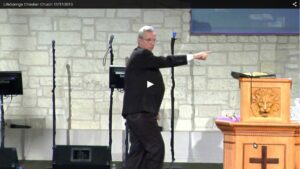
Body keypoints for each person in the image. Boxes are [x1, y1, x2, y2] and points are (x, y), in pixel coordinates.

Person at [122, 25, 209, 169]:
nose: (152, 43)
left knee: (139, 151)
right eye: (149, 40)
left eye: (154, 40)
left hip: (139, 113)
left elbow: (143, 87)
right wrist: (193, 56)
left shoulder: (141, 58)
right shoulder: (142, 54)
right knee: (156, 148)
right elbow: (165, 61)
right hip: (140, 114)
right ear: (140, 40)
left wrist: (153, 110)